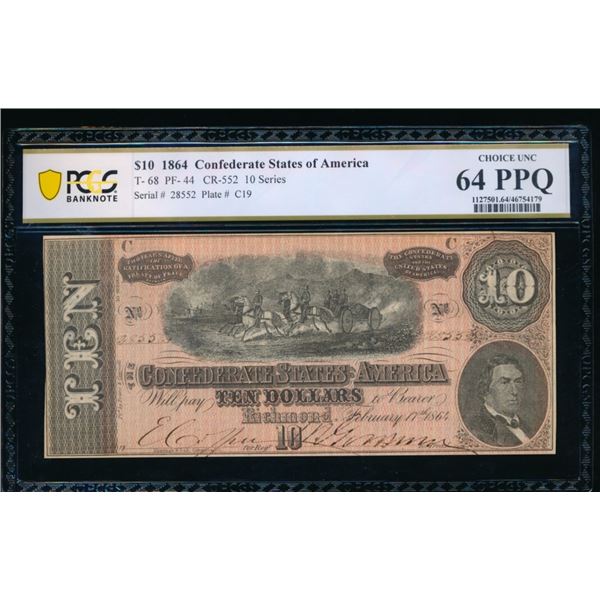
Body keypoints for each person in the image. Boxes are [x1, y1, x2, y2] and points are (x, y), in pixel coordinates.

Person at [466, 354, 534, 447]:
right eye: (504, 382)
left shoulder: (529, 428)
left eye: (518, 381)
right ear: (486, 389)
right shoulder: (474, 430)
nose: (514, 391)